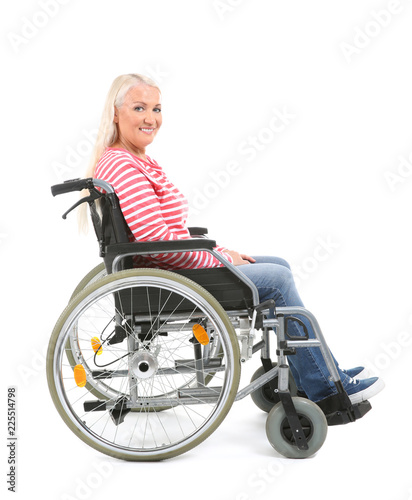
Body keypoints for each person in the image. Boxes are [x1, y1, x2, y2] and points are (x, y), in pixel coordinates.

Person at [83, 73, 384, 404]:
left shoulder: (136, 158)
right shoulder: (123, 164)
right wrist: (218, 260)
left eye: (156, 109)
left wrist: (221, 251)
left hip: (170, 267)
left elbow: (165, 232)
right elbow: (154, 238)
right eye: (139, 108)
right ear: (115, 112)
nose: (151, 118)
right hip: (167, 277)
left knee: (277, 265)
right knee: (277, 279)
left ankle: (319, 371)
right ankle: (326, 389)